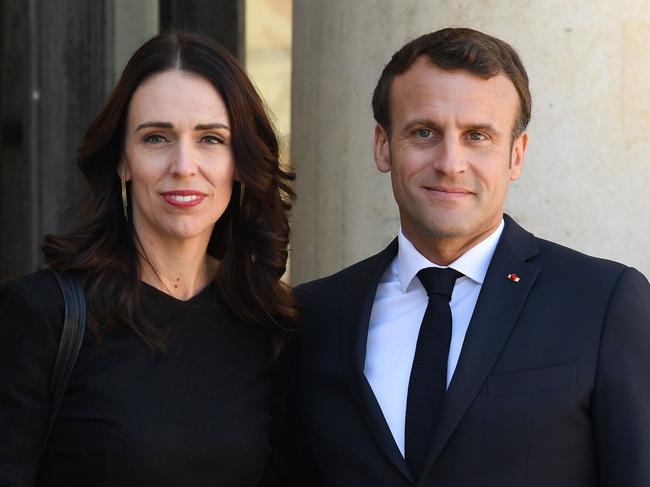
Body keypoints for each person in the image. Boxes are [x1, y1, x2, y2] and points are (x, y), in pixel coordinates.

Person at [290, 27, 650, 486]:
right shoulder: (316, 315)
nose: (450, 162)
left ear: (516, 155)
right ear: (383, 145)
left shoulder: (604, 302)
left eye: (477, 136)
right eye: (424, 132)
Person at [0, 31, 297, 486]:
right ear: (122, 159)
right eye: (157, 137)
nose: (183, 164)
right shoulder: (43, 316)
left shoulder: (268, 323)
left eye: (211, 139)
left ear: (239, 163)